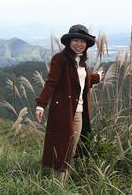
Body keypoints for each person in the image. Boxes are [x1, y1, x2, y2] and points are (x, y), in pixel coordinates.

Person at [35, 24, 102, 179]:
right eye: (76, 40)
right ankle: (57, 187)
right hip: (63, 112)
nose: (79, 44)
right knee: (63, 150)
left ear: (86, 45)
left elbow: (79, 82)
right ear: (69, 42)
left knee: (71, 150)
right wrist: (41, 104)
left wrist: (96, 77)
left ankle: (60, 184)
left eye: (83, 41)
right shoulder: (60, 59)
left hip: (78, 112)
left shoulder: (81, 62)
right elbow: (51, 82)